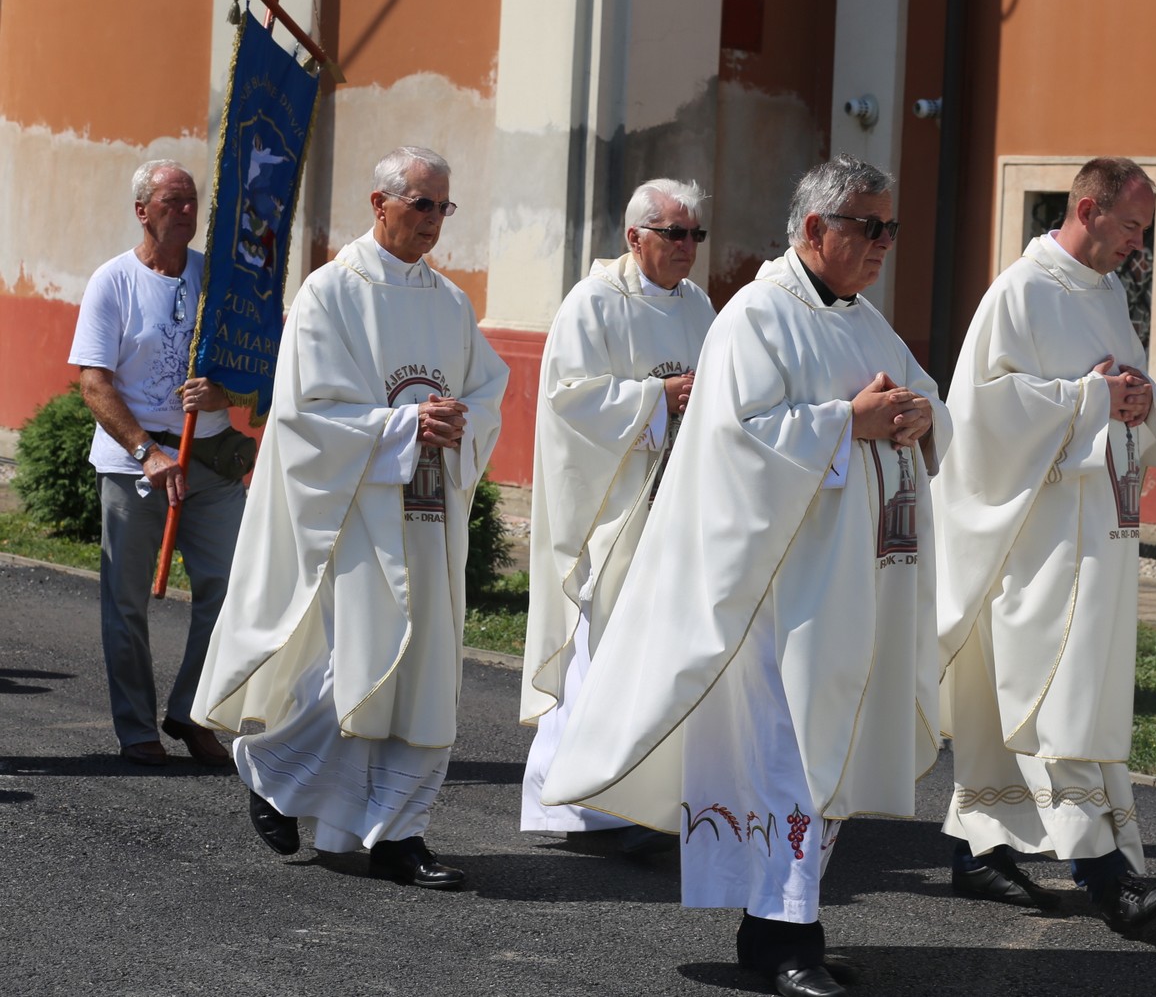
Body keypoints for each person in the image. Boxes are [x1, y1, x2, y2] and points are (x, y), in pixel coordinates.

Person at [542, 154, 949, 997]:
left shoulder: (865, 321)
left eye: (889, 228)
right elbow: (738, 441)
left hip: (850, 585)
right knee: (786, 758)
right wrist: (851, 421)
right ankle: (784, 936)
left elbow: (925, 394)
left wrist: (918, 412)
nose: (884, 244)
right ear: (814, 229)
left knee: (820, 754)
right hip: (778, 592)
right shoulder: (756, 317)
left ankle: (776, 932)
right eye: (869, 227)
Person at [193, 147, 508, 890]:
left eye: (443, 207)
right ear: (380, 203)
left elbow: (489, 385)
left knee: (424, 669)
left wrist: (464, 422)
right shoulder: (330, 293)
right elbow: (304, 416)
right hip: (355, 512)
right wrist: (404, 426)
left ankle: (399, 833)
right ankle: (272, 767)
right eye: (421, 204)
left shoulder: (450, 301)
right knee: (357, 666)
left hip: (428, 512)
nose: (434, 221)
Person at [934, 156, 1156, 931]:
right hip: (1038, 542)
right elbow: (980, 410)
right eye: (1131, 228)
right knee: (1054, 696)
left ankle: (978, 851)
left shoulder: (1106, 293)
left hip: (1098, 535)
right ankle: (1107, 877)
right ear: (1087, 208)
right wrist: (1093, 398)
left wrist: (1139, 397)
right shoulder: (1020, 291)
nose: (1136, 247)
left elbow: (1119, 388)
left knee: (1070, 694)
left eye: (1144, 232)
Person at [520, 178, 716, 852]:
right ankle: (575, 803)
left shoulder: (699, 307)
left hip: (674, 508)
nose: (688, 247)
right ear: (635, 238)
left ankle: (643, 799)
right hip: (611, 511)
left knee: (658, 657)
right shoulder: (593, 303)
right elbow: (569, 402)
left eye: (695, 234)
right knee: (601, 655)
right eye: (674, 233)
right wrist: (658, 396)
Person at [68, 159, 244, 767]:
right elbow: (93, 383)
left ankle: (192, 712)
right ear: (142, 210)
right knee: (126, 600)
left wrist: (227, 394)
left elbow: (256, 367)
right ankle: (137, 727)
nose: (186, 212)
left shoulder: (217, 279)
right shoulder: (112, 282)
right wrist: (147, 452)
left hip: (211, 457)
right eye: (173, 201)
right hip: (135, 462)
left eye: (193, 201)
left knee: (232, 587)